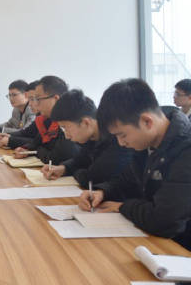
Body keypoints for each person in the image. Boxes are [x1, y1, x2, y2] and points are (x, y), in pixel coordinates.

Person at [78, 79, 191, 250]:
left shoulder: (186, 151)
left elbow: (164, 220)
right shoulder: (146, 145)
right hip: (154, 242)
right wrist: (102, 192)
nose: (121, 143)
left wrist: (123, 207)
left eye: (122, 135)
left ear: (147, 122)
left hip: (180, 251)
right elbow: (128, 180)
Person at [39, 89, 133, 186]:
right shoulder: (91, 137)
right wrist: (63, 168)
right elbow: (81, 159)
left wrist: (76, 172)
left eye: (66, 128)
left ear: (86, 123)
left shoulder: (117, 139)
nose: (66, 136)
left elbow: (89, 179)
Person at [11, 75, 79, 164]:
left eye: (38, 99)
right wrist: (26, 149)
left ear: (55, 99)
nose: (35, 104)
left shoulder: (69, 123)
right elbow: (36, 142)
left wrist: (38, 150)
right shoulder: (46, 120)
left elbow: (55, 160)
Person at [0, 80, 39, 148]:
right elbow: (25, 131)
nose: (11, 99)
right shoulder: (16, 109)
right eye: (9, 96)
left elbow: (35, 140)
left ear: (25, 95)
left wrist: (1, 132)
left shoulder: (32, 111)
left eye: (14, 95)